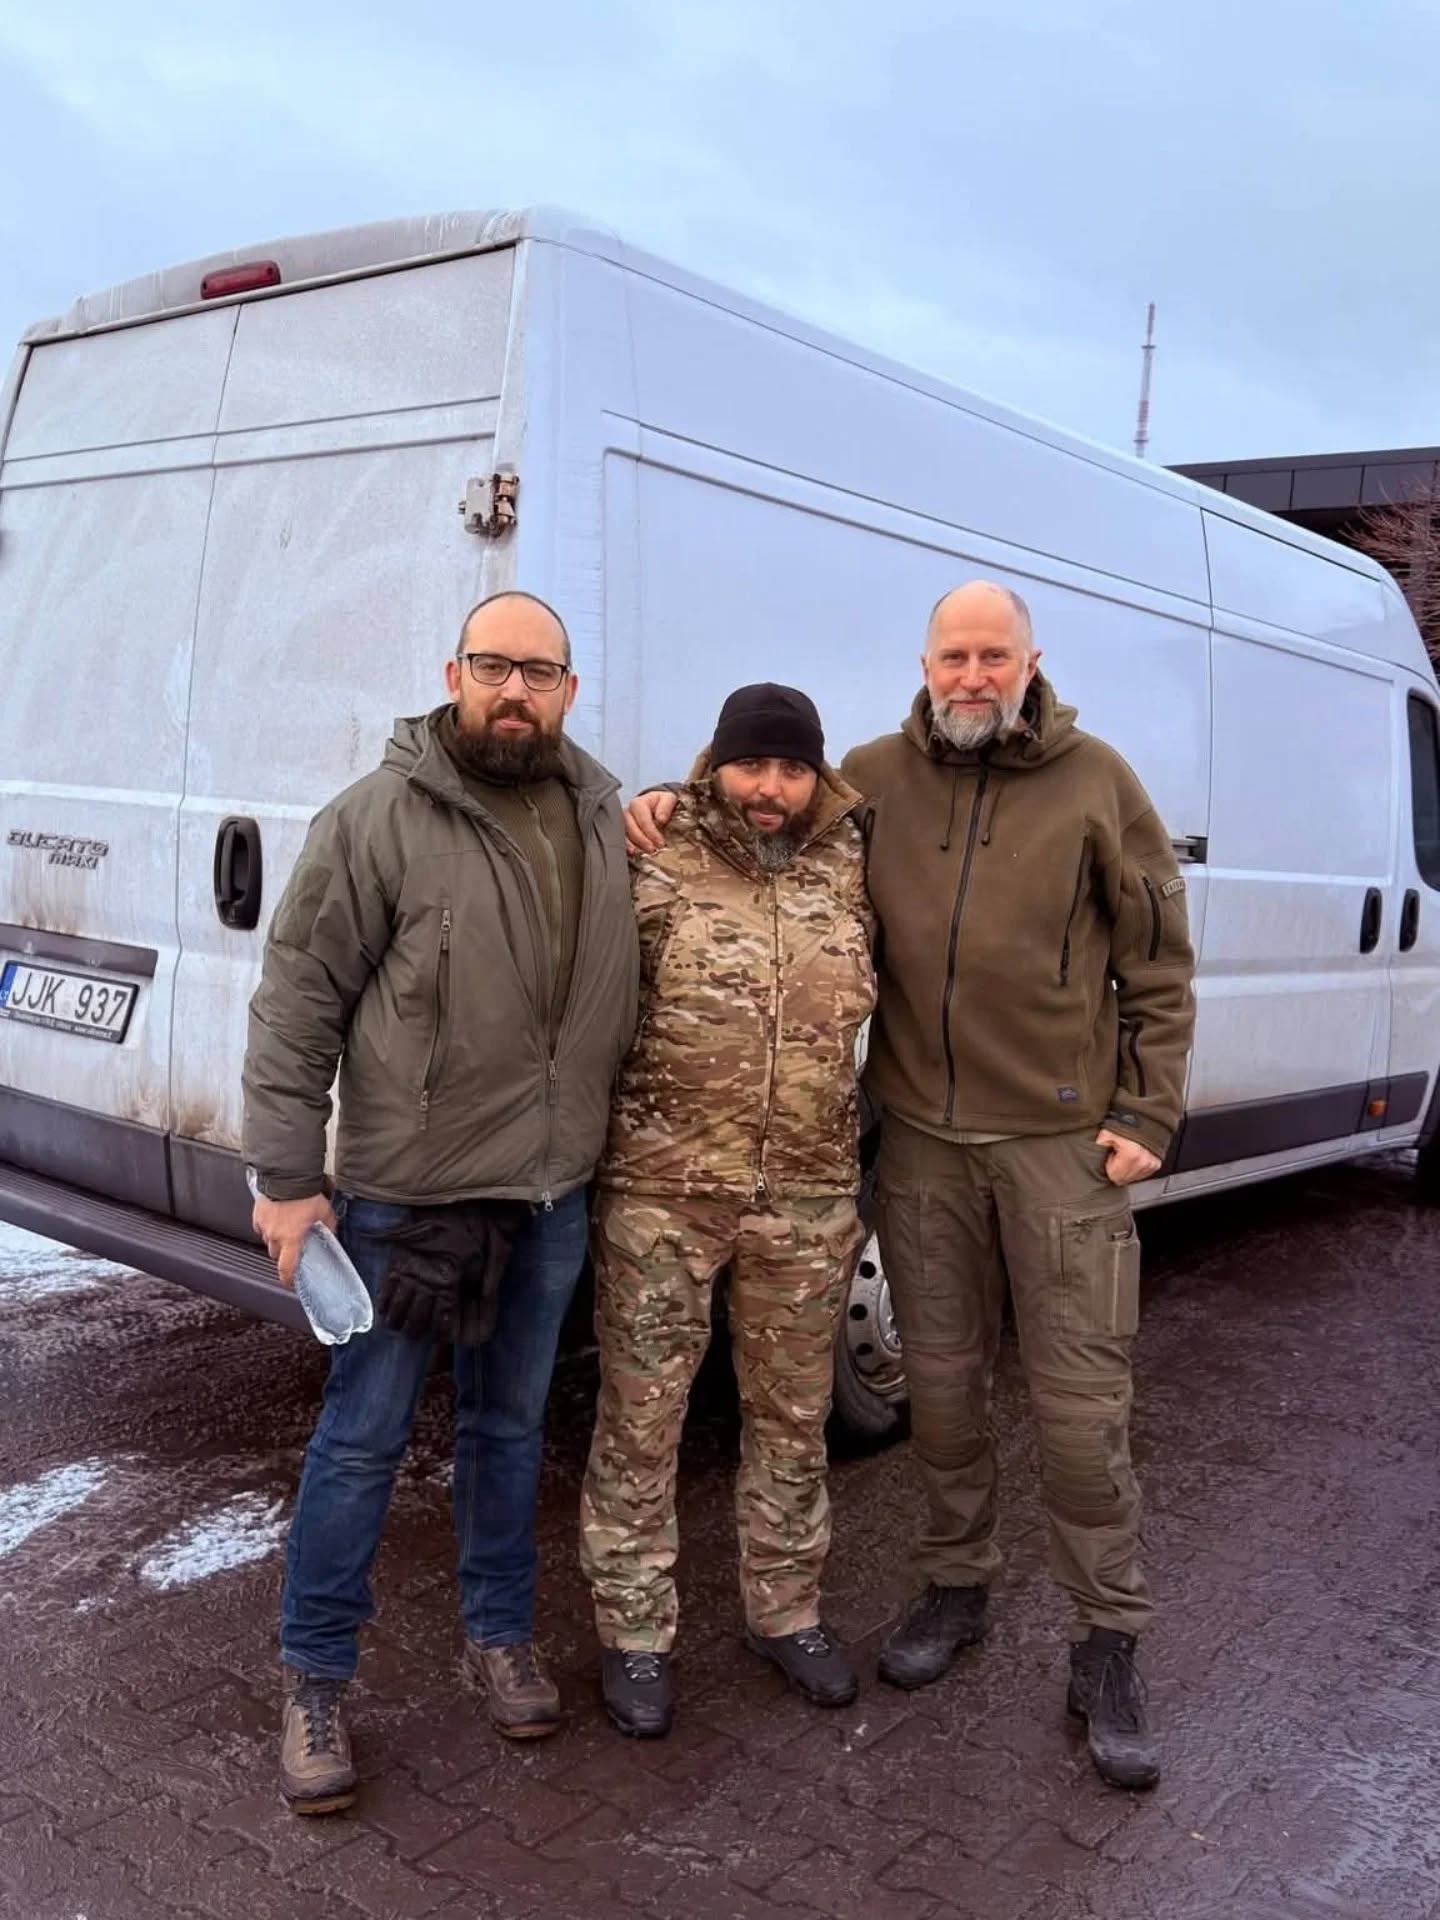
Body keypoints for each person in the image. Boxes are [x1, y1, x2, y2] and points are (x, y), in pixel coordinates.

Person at [623, 582, 1195, 1789]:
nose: (972, 675)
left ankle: (1107, 1643)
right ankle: (954, 1586)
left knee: (1081, 1414)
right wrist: (666, 799)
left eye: (994, 655)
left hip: (1058, 1147)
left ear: (1031, 661)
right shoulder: (873, 780)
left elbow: (1157, 960)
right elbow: (759, 818)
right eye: (954, 655)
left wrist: (1146, 1112)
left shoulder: (1101, 783)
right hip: (924, 1145)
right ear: (925, 664)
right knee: (939, 1395)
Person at [243, 591, 639, 1815]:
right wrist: (288, 1180)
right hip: (404, 1200)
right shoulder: (376, 819)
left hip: (548, 1198)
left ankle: (501, 1635)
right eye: (493, 666)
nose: (515, 690)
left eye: (538, 672)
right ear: (453, 673)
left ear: (570, 690)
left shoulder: (603, 816)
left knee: (509, 1430)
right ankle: (316, 1679)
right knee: (362, 1440)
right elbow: (297, 1000)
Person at [580, 684, 876, 1739]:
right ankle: (634, 1632)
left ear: (816, 775)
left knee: (793, 1423)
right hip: (662, 1195)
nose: (771, 788)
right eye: (754, 765)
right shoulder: (652, 849)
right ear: (717, 763)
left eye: (792, 769)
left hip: (807, 1198)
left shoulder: (853, 860)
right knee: (641, 1421)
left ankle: (787, 1611)